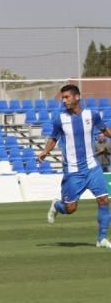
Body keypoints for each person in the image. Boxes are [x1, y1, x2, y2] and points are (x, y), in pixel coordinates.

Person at [38, 83, 111, 248]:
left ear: (77, 97)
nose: (64, 101)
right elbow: (53, 138)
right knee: (70, 209)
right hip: (73, 171)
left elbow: (105, 130)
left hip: (92, 167)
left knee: (104, 201)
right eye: (63, 98)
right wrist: (45, 152)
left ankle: (102, 239)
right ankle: (57, 205)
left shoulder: (92, 115)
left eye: (67, 97)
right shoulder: (60, 119)